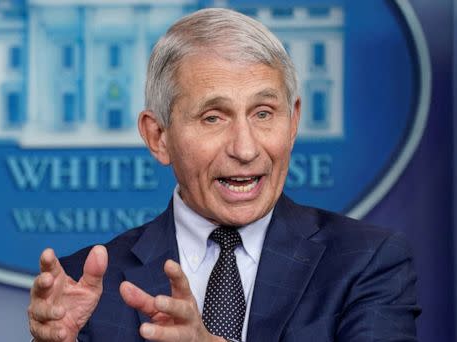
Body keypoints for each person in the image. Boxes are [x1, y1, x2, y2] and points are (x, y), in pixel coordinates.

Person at [27, 8, 420, 342]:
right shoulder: (89, 286)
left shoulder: (366, 262)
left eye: (263, 114)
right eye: (213, 117)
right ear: (158, 136)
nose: (246, 149)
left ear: (294, 121)